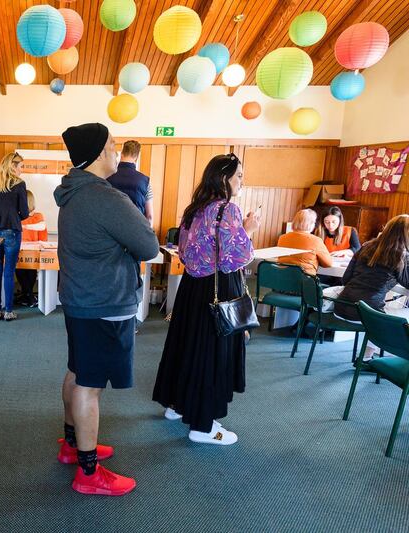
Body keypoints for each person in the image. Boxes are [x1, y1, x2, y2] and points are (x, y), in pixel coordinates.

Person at [55, 123, 159, 496]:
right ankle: (88, 472)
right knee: (90, 385)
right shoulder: (103, 196)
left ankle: (72, 445)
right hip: (103, 301)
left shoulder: (72, 191)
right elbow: (148, 245)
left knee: (78, 371)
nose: (117, 152)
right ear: (99, 152)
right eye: (113, 145)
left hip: (80, 298)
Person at [153, 153, 260, 446]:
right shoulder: (228, 210)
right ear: (224, 178)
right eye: (238, 175)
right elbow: (233, 258)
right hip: (218, 289)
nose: (241, 181)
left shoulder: (195, 209)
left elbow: (185, 252)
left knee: (186, 347)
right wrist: (248, 232)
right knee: (213, 354)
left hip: (192, 288)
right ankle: (202, 426)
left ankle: (176, 405)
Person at [334, 215, 409, 359]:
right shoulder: (401, 256)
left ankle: (366, 357)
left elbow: (345, 279)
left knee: (381, 312)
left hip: (342, 306)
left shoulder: (367, 246)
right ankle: (366, 358)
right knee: (397, 316)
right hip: (364, 315)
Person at [0, 152, 29, 321]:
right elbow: (24, 213)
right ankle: (9, 311)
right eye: (21, 166)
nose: (21, 170)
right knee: (9, 271)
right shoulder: (19, 184)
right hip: (12, 231)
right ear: (13, 165)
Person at [107, 140, 154, 228]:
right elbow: (150, 216)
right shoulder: (145, 181)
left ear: (121, 154)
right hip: (136, 230)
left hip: (111, 229)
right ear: (137, 157)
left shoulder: (107, 177)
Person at [276, 209, 333, 276]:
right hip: (304, 282)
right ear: (311, 224)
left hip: (282, 280)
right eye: (314, 222)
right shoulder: (316, 240)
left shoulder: (282, 238)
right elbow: (328, 264)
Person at [15, 190, 47, 307]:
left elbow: (41, 226)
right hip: (18, 250)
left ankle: (28, 296)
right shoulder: (16, 216)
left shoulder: (37, 216)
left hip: (32, 252)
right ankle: (28, 295)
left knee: (30, 272)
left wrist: (24, 226)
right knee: (20, 271)